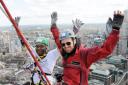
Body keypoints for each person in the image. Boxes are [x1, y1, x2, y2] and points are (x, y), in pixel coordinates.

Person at [50, 11, 124, 85]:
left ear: (74, 41)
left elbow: (104, 50)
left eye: (68, 43)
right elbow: (57, 38)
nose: (66, 46)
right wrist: (53, 25)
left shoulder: (84, 54)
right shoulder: (64, 51)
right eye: (63, 44)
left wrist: (115, 30)